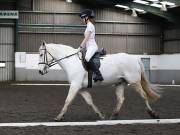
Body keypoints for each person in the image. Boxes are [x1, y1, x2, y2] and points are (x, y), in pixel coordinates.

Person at [79, 9, 104, 82]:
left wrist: (80, 47)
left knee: (87, 58)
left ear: (86, 18)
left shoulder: (90, 26)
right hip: (88, 46)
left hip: (92, 46)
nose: (82, 20)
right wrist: (82, 48)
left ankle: (99, 75)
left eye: (83, 18)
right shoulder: (88, 26)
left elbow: (86, 38)